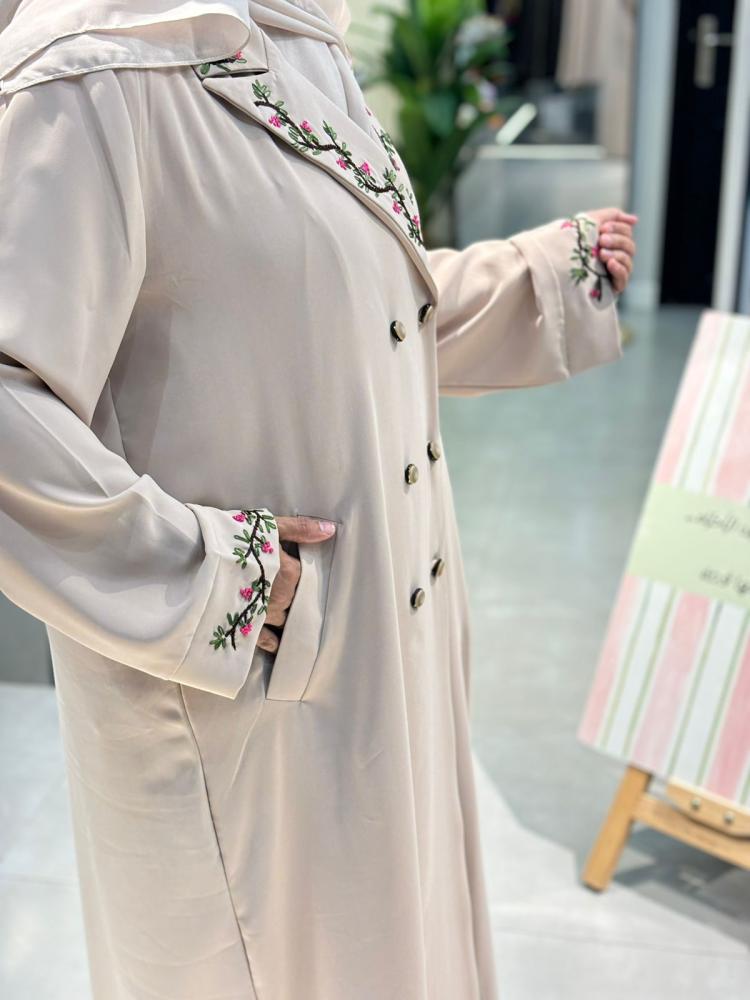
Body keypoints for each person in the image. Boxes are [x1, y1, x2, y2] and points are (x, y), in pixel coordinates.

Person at [0, 1, 636, 997]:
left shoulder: (292, 37)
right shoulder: (94, 73)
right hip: (244, 707)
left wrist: (536, 277)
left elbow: (350, 309)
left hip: (371, 668)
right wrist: (213, 579)